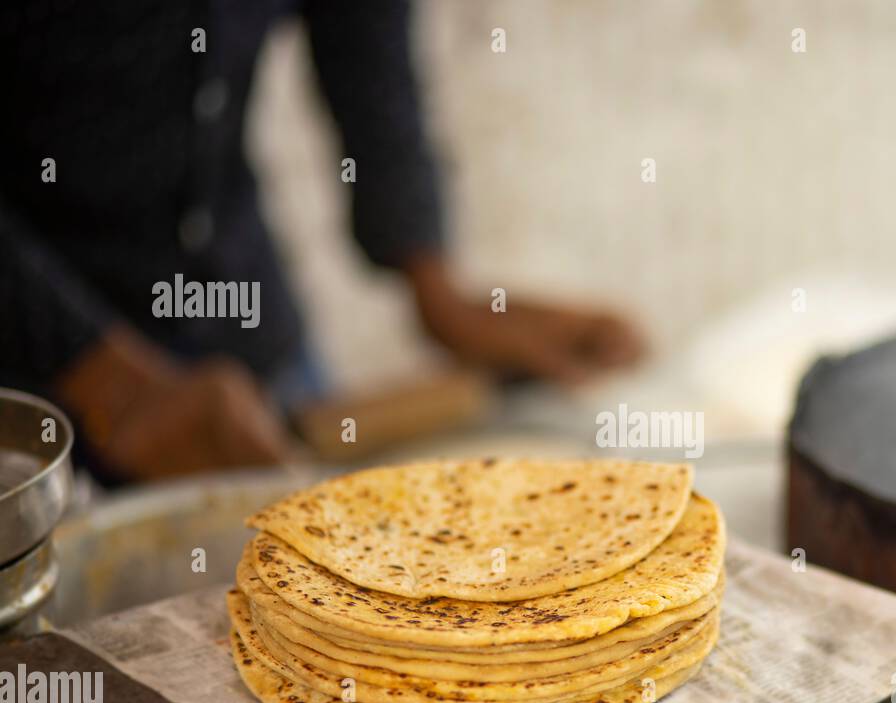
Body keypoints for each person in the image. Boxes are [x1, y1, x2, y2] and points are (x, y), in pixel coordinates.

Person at [0, 0, 644, 482]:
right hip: (24, 419)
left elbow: (362, 30)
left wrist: (437, 290)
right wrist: (105, 378)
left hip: (259, 354)